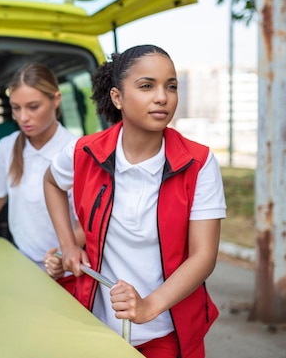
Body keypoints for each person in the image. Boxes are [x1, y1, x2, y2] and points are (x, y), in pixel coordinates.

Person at [43, 44, 226, 358]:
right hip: (94, 323)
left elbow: (203, 256)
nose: (162, 97)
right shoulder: (83, 152)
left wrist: (148, 306)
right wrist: (69, 245)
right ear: (117, 97)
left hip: (167, 332)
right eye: (146, 86)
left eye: (171, 86)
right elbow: (51, 182)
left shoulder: (199, 162)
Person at [0, 63, 78, 282]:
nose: (23, 117)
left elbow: (88, 224)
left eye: (33, 107)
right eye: (16, 108)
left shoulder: (76, 151)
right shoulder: (6, 146)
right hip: (21, 262)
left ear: (56, 100)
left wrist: (63, 254)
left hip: (65, 270)